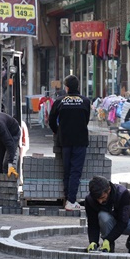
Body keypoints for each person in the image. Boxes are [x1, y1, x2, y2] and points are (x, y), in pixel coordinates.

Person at [49, 75, 91, 211]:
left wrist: (57, 131)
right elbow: (86, 119)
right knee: (75, 171)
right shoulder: (85, 101)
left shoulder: (60, 101)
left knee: (67, 171)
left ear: (66, 87)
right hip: (80, 140)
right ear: (78, 86)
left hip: (65, 141)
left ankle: (69, 199)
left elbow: (51, 120)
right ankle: (71, 201)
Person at [84, 175, 130, 254]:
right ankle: (108, 245)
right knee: (103, 216)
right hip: (110, 223)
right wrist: (93, 242)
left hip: (127, 220)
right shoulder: (90, 200)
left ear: (109, 190)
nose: (100, 201)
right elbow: (92, 224)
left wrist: (109, 238)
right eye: (97, 199)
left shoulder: (122, 193)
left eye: (102, 197)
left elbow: (123, 222)